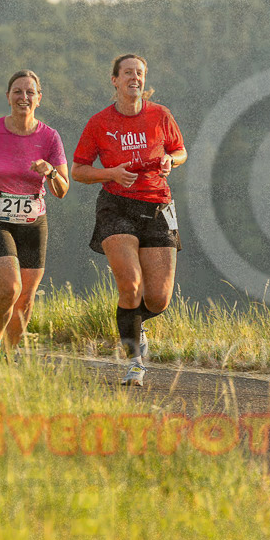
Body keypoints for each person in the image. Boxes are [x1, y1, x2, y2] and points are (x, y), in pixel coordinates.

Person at [71, 54, 187, 386]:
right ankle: (135, 360)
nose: (134, 77)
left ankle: (134, 322)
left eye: (139, 73)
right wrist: (110, 173)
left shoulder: (160, 115)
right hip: (116, 206)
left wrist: (170, 159)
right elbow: (78, 170)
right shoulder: (99, 122)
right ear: (115, 80)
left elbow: (180, 151)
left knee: (158, 299)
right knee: (130, 285)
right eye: (127, 73)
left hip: (158, 207)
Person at [0, 69, 70, 360]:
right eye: (18, 92)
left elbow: (62, 189)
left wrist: (50, 173)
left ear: (39, 99)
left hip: (34, 221)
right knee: (10, 287)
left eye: (30, 92)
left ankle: (8, 358)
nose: (24, 97)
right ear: (8, 97)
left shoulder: (50, 137)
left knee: (25, 298)